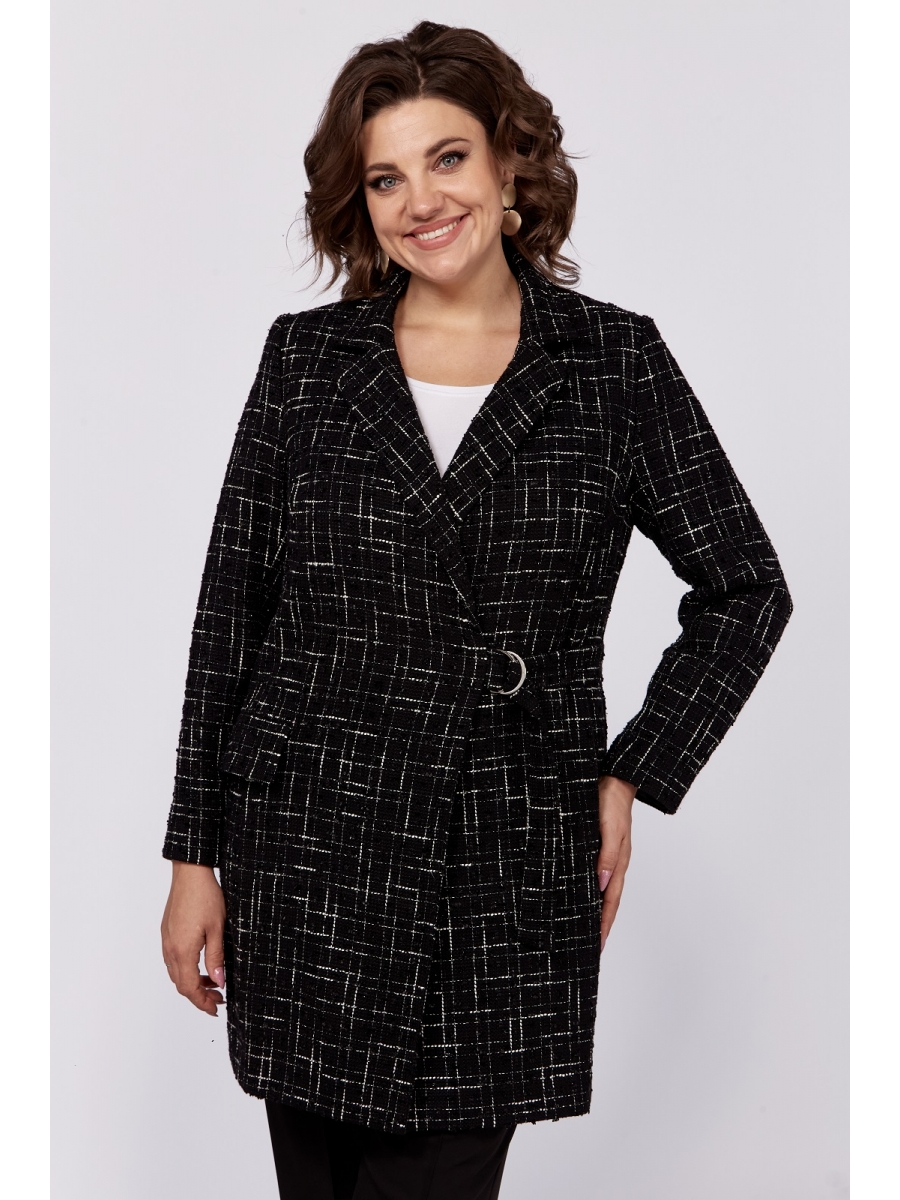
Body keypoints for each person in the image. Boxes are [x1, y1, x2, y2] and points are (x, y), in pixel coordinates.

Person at [160, 20, 792, 1200]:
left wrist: (632, 772)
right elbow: (230, 614)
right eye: (384, 178)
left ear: (510, 165)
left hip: (501, 845)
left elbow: (746, 588)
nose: (420, 201)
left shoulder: (611, 365)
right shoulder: (308, 362)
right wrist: (195, 856)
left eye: (446, 158)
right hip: (307, 847)